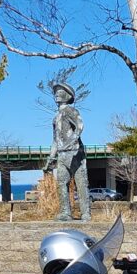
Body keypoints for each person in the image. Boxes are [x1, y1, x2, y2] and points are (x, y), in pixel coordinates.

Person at [43, 82, 91, 222]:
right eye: (56, 92)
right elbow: (55, 140)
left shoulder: (70, 110)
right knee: (61, 183)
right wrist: (51, 157)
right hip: (62, 154)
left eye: (61, 91)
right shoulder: (56, 117)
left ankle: (85, 213)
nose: (57, 94)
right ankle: (65, 212)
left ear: (68, 96)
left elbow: (80, 126)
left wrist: (73, 140)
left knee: (81, 182)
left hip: (74, 153)